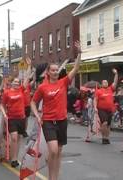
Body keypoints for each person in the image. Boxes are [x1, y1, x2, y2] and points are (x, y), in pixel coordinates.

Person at [30, 41, 81, 180]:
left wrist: (79, 53)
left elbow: (75, 69)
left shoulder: (63, 82)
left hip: (62, 121)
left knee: (58, 153)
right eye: (52, 70)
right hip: (48, 121)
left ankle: (53, 178)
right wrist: (37, 115)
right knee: (53, 150)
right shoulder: (42, 87)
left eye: (56, 70)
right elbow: (33, 102)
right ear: (48, 72)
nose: (55, 72)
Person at [0, 58, 31, 167]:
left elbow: (27, 78)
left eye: (18, 82)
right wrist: (4, 114)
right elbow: (2, 105)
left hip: (21, 118)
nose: (17, 83)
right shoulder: (7, 93)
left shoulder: (22, 89)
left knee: (18, 139)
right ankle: (13, 158)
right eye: (15, 82)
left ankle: (15, 158)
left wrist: (29, 66)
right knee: (13, 137)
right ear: (11, 83)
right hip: (11, 118)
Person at [94, 68, 118, 144]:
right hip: (101, 109)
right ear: (102, 84)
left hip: (110, 109)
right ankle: (103, 137)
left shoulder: (110, 89)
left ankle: (107, 138)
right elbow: (95, 100)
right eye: (104, 82)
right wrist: (95, 108)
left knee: (108, 125)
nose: (106, 83)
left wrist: (116, 74)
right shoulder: (99, 91)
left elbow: (115, 82)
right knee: (104, 123)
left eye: (106, 82)